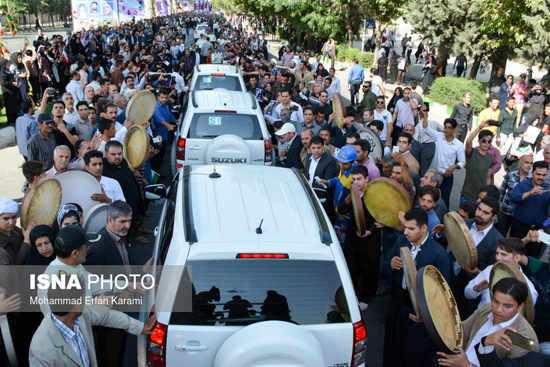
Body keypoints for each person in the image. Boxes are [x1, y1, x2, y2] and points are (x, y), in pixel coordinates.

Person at [29, 271, 156, 367]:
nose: (87, 301)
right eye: (85, 297)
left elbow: (106, 315)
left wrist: (140, 327)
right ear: (77, 304)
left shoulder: (78, 314)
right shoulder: (41, 352)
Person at [382, 208, 451, 367]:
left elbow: (444, 296)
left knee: (415, 355)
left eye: (411, 228)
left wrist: (427, 316)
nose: (406, 232)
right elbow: (384, 266)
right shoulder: (401, 241)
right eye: (405, 227)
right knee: (393, 351)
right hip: (397, 306)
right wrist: (390, 265)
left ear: (424, 228)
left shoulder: (439, 255)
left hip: (420, 315)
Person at [437, 278, 539, 367]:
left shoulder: (525, 339)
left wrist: (467, 365)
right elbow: (461, 331)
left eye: (507, 306)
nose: (498, 309)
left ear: (520, 306)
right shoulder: (486, 309)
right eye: (496, 301)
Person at [338, 165, 381, 311]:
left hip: (370, 237)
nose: (356, 182)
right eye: (354, 179)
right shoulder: (351, 191)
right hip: (353, 235)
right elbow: (341, 210)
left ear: (367, 178)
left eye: (359, 179)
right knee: (351, 265)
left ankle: (366, 297)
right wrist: (347, 203)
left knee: (369, 267)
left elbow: (381, 219)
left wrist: (370, 231)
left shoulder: (375, 195)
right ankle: (351, 296)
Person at [465, 237, 538, 309]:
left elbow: (524, 316)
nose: (498, 258)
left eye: (504, 254)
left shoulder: (529, 290)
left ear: (517, 258)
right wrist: (476, 289)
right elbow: (467, 293)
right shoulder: (490, 269)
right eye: (497, 253)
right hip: (481, 318)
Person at [101, 140, 147, 244]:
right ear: (106, 154)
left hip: (132, 208)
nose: (117, 157)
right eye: (113, 154)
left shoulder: (123, 162)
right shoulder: (103, 170)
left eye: (119, 154)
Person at [509, 160, 550, 258]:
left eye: (544, 175)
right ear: (532, 173)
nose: (541, 177)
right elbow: (513, 198)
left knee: (531, 260)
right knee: (514, 255)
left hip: (538, 231)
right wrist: (529, 193)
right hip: (520, 229)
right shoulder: (523, 185)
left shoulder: (548, 188)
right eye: (538, 174)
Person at [422, 117, 466, 208]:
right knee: (430, 197)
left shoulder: (459, 145)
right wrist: (425, 115)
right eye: (445, 127)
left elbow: (462, 162)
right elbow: (426, 129)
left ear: (454, 129)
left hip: (447, 176)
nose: (446, 130)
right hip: (435, 174)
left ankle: (443, 219)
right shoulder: (439, 136)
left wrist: (453, 167)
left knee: (445, 200)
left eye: (449, 128)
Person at [461, 121, 495, 202]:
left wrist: (487, 194)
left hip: (480, 198)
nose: (486, 143)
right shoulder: (471, 152)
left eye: (489, 141)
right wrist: (480, 127)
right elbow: (468, 141)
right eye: (484, 140)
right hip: (467, 195)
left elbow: (488, 177)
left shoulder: (490, 157)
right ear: (479, 141)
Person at [499, 154, 533, 233]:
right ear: (519, 164)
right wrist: (499, 205)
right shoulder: (511, 175)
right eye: (527, 162)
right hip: (506, 212)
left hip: (520, 216)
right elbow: (501, 191)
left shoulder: (532, 180)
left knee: (513, 241)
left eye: (531, 163)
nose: (529, 165)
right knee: (501, 234)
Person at [0, 198, 33, 265]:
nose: (11, 222)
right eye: (6, 218)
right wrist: (27, 240)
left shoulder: (13, 229)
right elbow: (15, 265)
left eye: (14, 217)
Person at [0, 58, 23, 126]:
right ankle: (11, 121)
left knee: (15, 106)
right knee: (10, 108)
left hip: (13, 92)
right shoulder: (2, 73)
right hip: (8, 93)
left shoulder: (8, 71)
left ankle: (16, 119)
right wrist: (12, 83)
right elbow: (3, 82)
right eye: (7, 64)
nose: (9, 65)